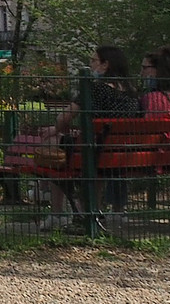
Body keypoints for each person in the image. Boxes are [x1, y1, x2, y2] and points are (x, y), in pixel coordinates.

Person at [37, 45, 138, 231]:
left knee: (51, 146)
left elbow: (64, 117)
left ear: (105, 65)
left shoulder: (95, 89)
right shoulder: (132, 92)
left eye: (93, 60)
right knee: (86, 158)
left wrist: (55, 129)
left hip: (95, 152)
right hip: (123, 153)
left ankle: (57, 212)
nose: (90, 65)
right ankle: (92, 211)